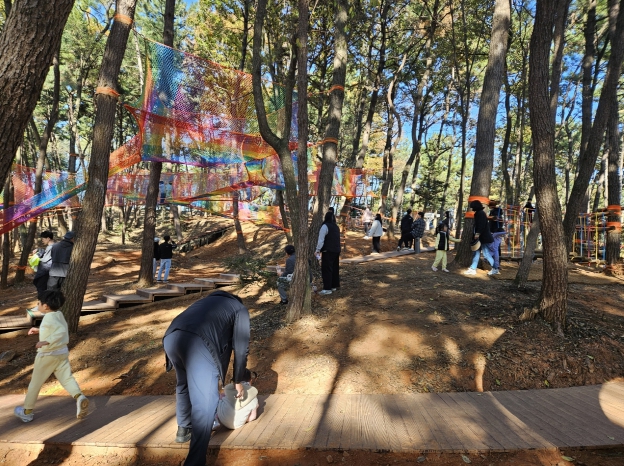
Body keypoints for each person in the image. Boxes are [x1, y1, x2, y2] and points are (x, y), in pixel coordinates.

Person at [163, 291, 250, 466]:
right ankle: (194, 462)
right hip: (200, 343)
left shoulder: (204, 302)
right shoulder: (239, 308)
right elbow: (241, 348)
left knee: (183, 384)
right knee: (205, 402)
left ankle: (184, 429)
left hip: (171, 338)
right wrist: (238, 380)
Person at [13, 290, 89, 423]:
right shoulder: (58, 314)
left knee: (35, 384)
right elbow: (57, 329)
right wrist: (39, 330)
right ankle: (79, 397)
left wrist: (46, 341)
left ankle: (27, 412)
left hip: (47, 355)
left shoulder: (49, 317)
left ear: (46, 306)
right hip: (61, 354)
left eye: (39, 303)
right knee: (67, 378)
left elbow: (59, 332)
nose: (37, 305)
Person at [464, 200, 495, 276]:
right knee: (476, 253)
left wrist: (477, 234)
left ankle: (495, 268)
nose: (472, 209)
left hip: (483, 238)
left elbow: (481, 225)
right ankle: (473, 268)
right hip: (480, 238)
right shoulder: (479, 213)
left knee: (486, 254)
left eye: (473, 207)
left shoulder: (480, 213)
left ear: (476, 207)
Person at [315, 211, 341, 295]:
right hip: (336, 250)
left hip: (328, 251)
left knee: (327, 269)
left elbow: (321, 240)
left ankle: (327, 288)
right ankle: (333, 286)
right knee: (334, 268)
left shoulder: (325, 226)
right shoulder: (336, 227)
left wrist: (318, 250)